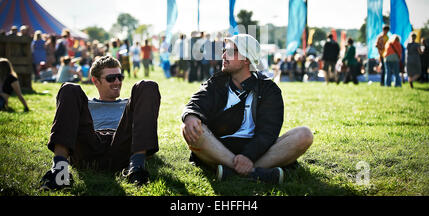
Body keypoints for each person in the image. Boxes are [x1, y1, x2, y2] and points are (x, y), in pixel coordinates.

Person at [181, 34, 313, 184]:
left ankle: (233, 171)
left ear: (246, 59)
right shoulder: (216, 83)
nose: (224, 55)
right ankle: (255, 172)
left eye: (230, 51)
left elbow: (268, 131)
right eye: (224, 50)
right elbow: (196, 104)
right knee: (189, 127)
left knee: (304, 135)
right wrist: (191, 116)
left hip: (257, 150)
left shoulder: (268, 89)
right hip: (219, 148)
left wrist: (248, 155)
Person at [40, 56, 161, 190]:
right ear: (95, 81)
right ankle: (60, 171)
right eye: (110, 78)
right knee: (69, 88)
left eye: (119, 77)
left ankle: (136, 168)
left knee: (147, 85)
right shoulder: (84, 105)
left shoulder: (131, 105)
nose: (117, 82)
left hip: (122, 149)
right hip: (89, 149)